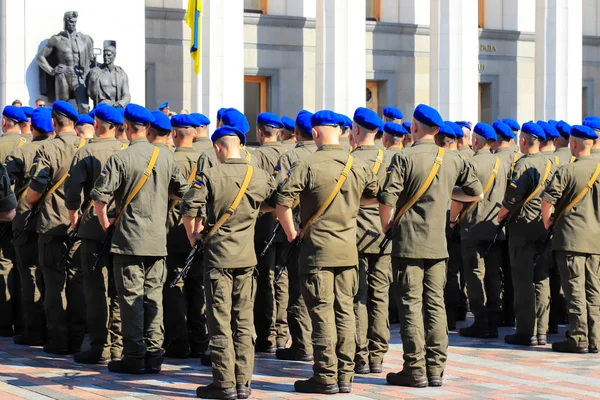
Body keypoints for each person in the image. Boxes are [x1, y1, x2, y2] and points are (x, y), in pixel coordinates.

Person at [379, 104, 483, 388]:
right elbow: (477, 192)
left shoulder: (403, 158)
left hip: (409, 242)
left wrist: (387, 226)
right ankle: (436, 369)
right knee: (436, 305)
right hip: (438, 244)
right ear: (437, 130)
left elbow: (387, 199)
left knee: (411, 305)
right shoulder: (452, 160)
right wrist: (447, 192)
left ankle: (414, 368)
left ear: (414, 127)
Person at [276, 110, 379, 395]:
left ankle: (325, 376)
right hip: (348, 251)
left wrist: (291, 233)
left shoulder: (307, 164)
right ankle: (346, 375)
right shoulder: (356, 164)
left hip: (317, 252)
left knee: (322, 314)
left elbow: (282, 203)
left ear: (316, 133)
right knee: (345, 312)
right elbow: (373, 194)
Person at [90, 103, 190, 374]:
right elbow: (185, 192)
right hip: (158, 241)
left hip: (128, 241)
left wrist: (106, 223)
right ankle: (155, 354)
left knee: (131, 299)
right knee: (153, 297)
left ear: (125, 126)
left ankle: (134, 355)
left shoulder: (120, 159)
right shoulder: (166, 157)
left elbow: (100, 198)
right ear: (146, 128)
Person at [183, 125, 276, 400]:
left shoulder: (210, 175)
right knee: (244, 321)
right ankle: (244, 383)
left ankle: (224, 383)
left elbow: (189, 209)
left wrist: (193, 236)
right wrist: (253, 210)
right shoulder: (257, 175)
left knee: (220, 320)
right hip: (247, 258)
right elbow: (279, 201)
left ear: (218, 148)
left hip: (218, 258)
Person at [64, 104, 125, 364]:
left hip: (93, 228)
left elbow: (72, 190)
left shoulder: (87, 151)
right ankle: (119, 346)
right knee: (119, 289)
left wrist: (74, 215)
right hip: (123, 228)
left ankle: (101, 346)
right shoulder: (127, 150)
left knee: (96, 289)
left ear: (97, 124)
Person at [26, 100, 87, 354]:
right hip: (79, 225)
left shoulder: (48, 149)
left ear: (54, 123)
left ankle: (57, 339)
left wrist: (30, 202)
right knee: (77, 282)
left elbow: (35, 189)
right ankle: (76, 338)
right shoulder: (86, 147)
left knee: (53, 284)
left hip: (52, 225)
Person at [541, 124, 600, 354]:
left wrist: (547, 221)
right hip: (595, 240)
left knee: (575, 289)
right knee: (594, 290)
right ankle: (595, 337)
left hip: (571, 238)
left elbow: (547, 201)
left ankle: (578, 337)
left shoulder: (567, 170)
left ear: (573, 144)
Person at [498, 121, 556, 347]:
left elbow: (511, 199)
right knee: (541, 279)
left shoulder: (522, 165)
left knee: (523, 281)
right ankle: (541, 330)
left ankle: (525, 331)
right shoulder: (551, 163)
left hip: (522, 228)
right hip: (543, 225)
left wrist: (500, 217)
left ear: (523, 140)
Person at [451, 123, 508, 338]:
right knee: (494, 275)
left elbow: (458, 195)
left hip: (473, 226)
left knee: (475, 274)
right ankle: (494, 317)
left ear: (475, 141)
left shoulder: (470, 164)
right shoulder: (502, 163)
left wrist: (452, 220)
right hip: (495, 226)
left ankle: (481, 320)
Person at [348, 108, 392, 375]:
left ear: (355, 131)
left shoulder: (348, 161)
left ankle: (360, 355)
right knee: (380, 297)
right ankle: (378, 355)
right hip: (384, 236)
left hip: (355, 237)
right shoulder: (391, 159)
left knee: (357, 298)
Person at [6, 107, 55, 345]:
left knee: (29, 276)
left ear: (32, 128)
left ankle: (33, 329)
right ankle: (52, 327)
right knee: (53, 278)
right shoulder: (60, 149)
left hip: (25, 221)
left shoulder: (20, 153)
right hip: (54, 223)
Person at [273, 110, 317, 362]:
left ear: (297, 133)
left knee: (298, 288)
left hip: (298, 230)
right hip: (331, 234)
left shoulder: (291, 156)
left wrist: (289, 229)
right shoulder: (338, 156)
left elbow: (280, 192)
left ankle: (302, 344)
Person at [162, 113, 206, 359]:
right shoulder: (207, 159)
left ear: (174, 134)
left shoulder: (168, 159)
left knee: (174, 287)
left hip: (173, 231)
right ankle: (199, 341)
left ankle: (179, 343)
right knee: (197, 287)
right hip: (199, 230)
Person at [251, 112, 287, 353]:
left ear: (259, 132)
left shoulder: (256, 156)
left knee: (264, 279)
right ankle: (282, 333)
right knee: (283, 279)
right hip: (288, 223)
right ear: (280, 133)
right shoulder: (290, 154)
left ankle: (266, 335)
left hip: (265, 222)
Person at [35, 11, 94, 113]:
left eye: (75, 22)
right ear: (65, 22)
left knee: (84, 106)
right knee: (62, 106)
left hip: (78, 76)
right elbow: (40, 57)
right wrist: (52, 70)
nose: (73, 24)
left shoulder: (85, 39)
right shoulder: (57, 40)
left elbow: (91, 60)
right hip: (63, 75)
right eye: (71, 22)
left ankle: (83, 127)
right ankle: (63, 128)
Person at [491, 120, 519, 328]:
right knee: (511, 271)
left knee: (494, 272)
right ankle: (511, 313)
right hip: (515, 223)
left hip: (495, 221)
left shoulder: (494, 160)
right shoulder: (518, 158)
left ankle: (499, 313)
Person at [86, 40, 131, 108]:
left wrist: (121, 103)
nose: (106, 57)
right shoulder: (96, 72)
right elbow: (92, 95)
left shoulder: (121, 74)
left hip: (116, 108)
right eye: (104, 55)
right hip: (102, 107)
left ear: (114, 56)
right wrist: (92, 80)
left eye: (109, 55)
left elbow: (127, 95)